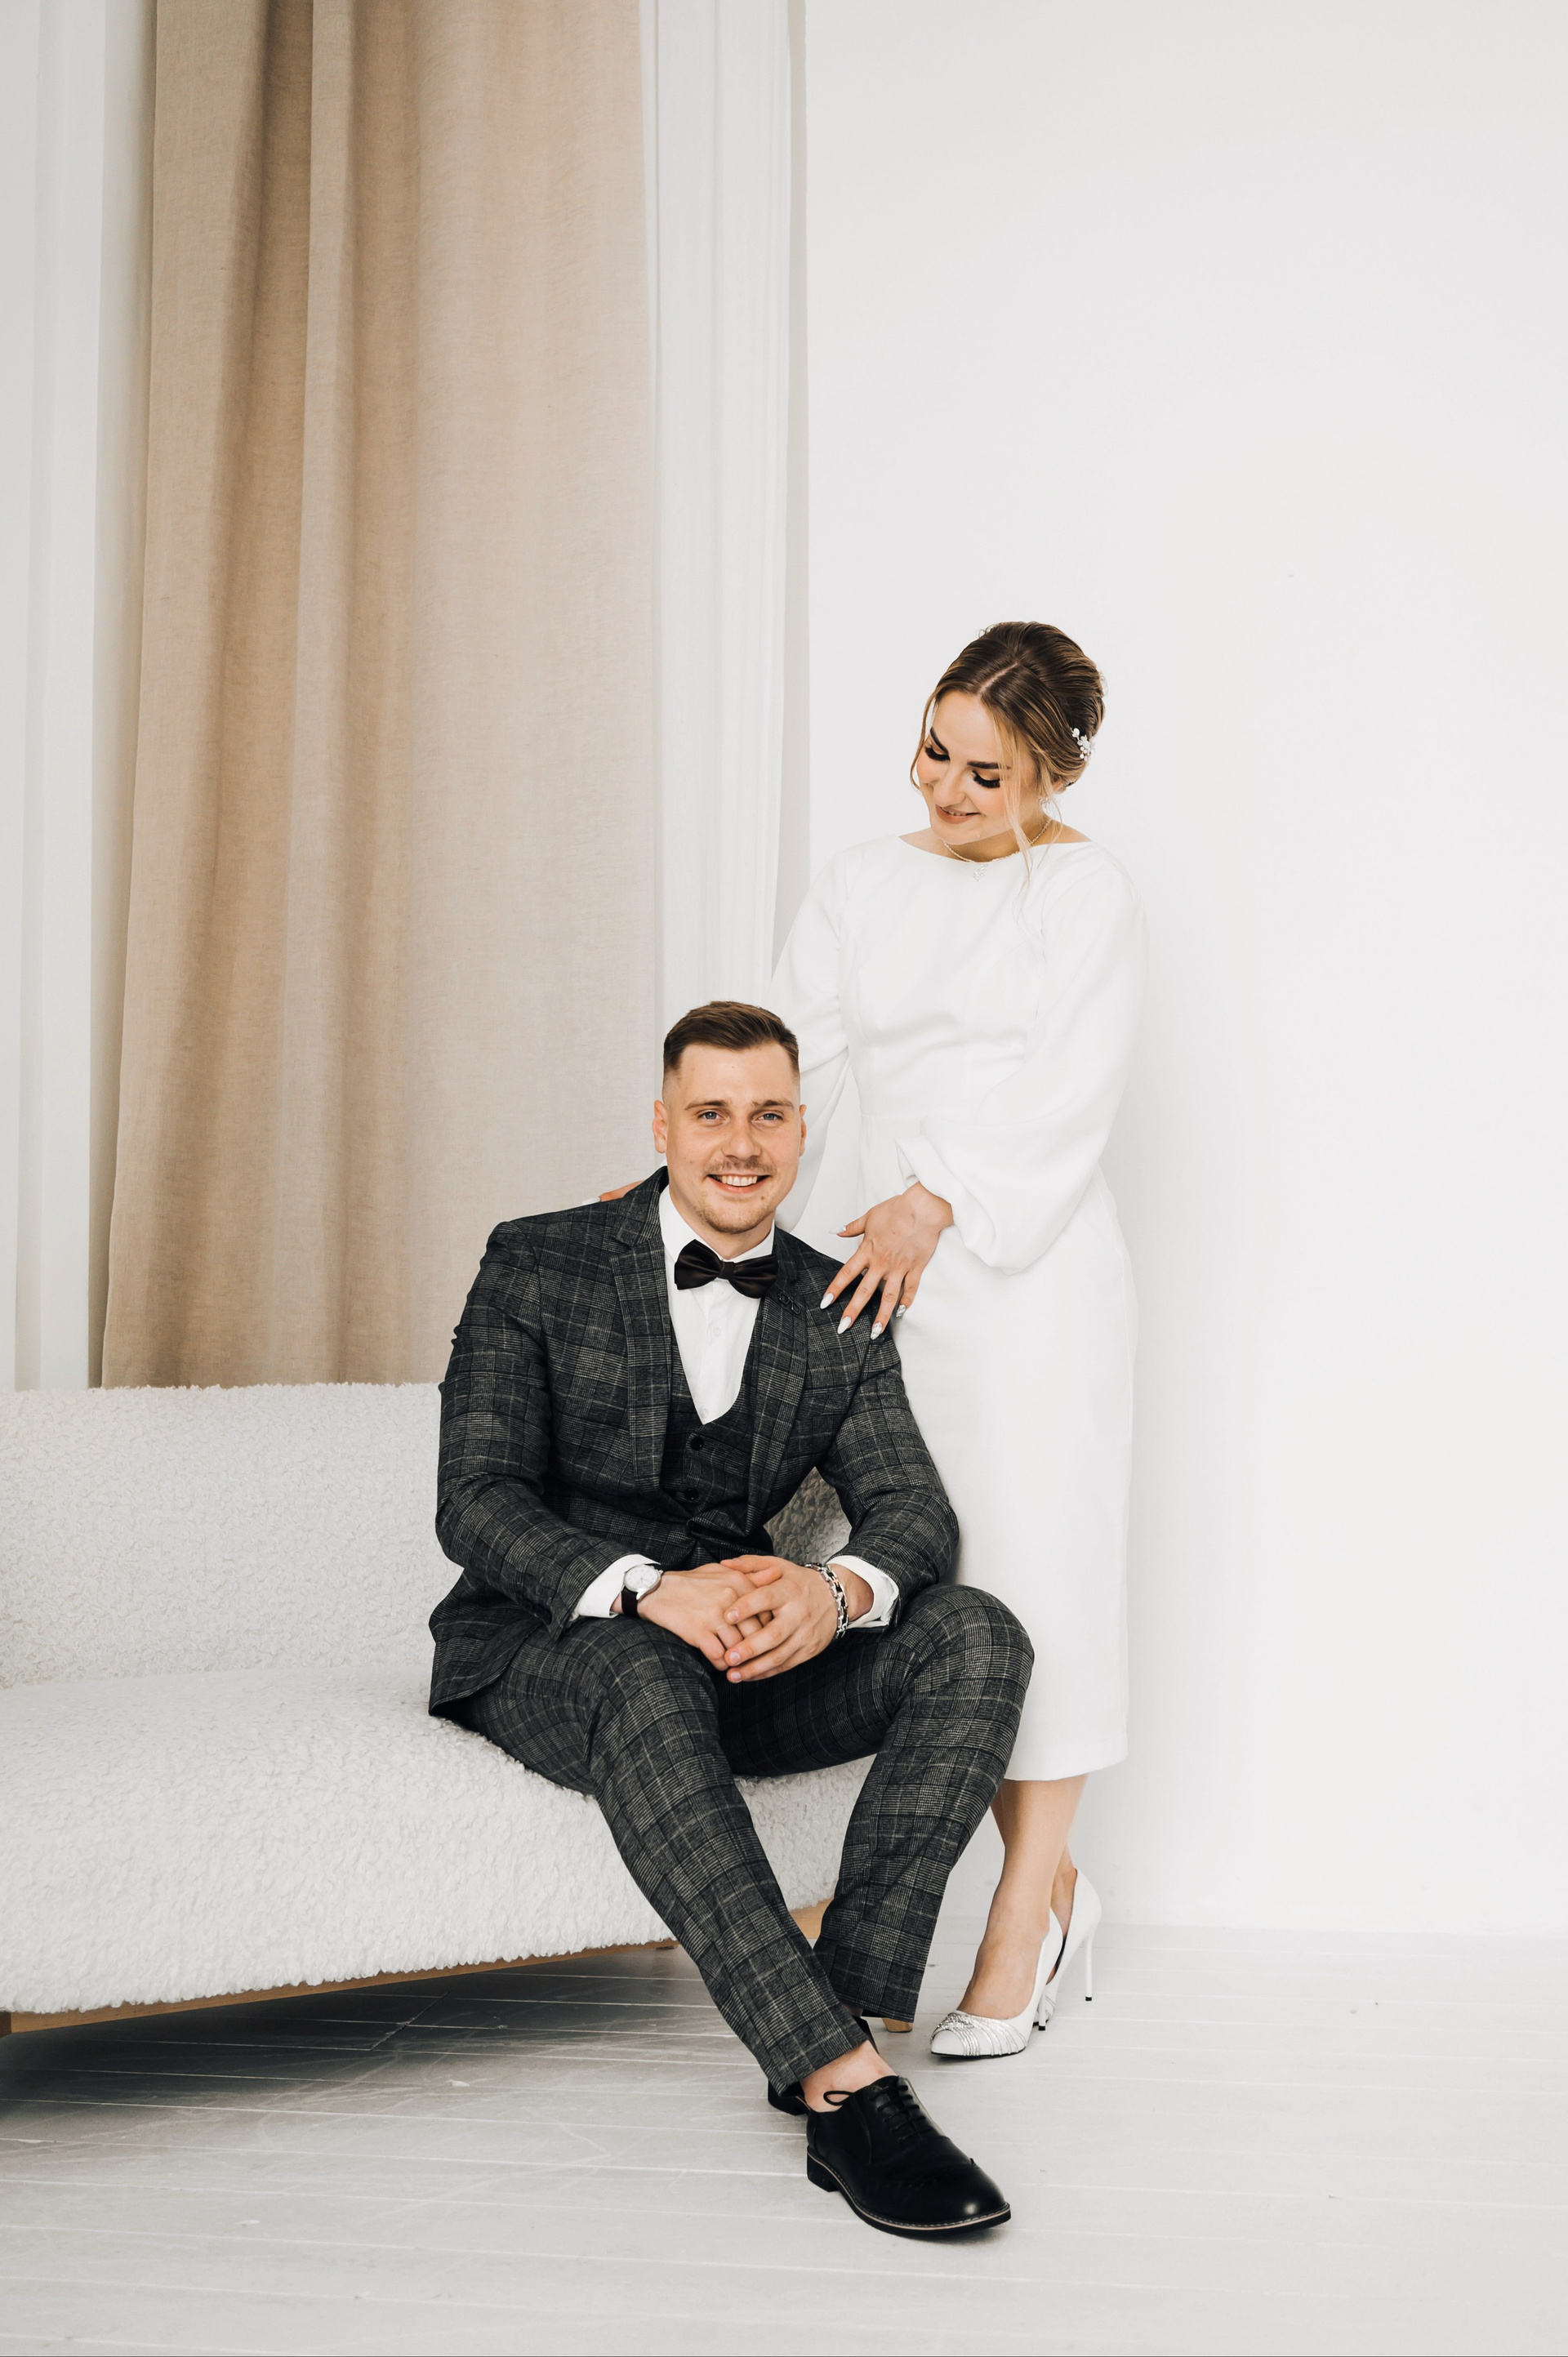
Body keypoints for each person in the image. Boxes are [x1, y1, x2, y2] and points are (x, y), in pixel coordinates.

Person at [430, 1000, 1031, 2238]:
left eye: (768, 1115)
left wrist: (832, 1590)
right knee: (643, 1673)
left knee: (977, 1635)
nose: (740, 1144)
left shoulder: (834, 1301)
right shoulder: (537, 1259)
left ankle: (836, 2009)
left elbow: (913, 1511)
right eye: (710, 1113)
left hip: (737, 1667)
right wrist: (648, 1588)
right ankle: (846, 2092)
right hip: (549, 1647)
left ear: (803, 1130)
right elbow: (474, 1499)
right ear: (663, 1125)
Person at [771, 621, 1147, 2059]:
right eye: (934, 750)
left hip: (1028, 1280)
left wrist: (937, 1199)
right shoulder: (862, 882)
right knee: (941, 1587)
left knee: (1041, 1580)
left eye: (985, 773)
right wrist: (698, 1180)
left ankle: (1024, 1913)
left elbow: (1071, 1090)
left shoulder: (1084, 893)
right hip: (883, 1285)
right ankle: (1045, 1893)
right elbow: (797, 1062)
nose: (943, 787)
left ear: (1051, 776)